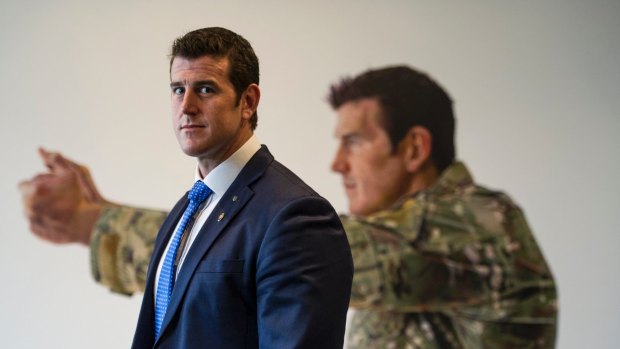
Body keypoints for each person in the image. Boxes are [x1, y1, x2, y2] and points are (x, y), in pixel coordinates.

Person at [21, 65, 558, 348]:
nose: (336, 165)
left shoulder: (478, 224)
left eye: (353, 142)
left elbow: (277, 249)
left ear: (414, 148)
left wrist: (96, 224)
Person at [23, 27, 355, 349]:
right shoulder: (189, 208)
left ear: (248, 101)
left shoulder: (296, 216)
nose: (187, 106)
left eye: (206, 89)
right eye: (178, 89)